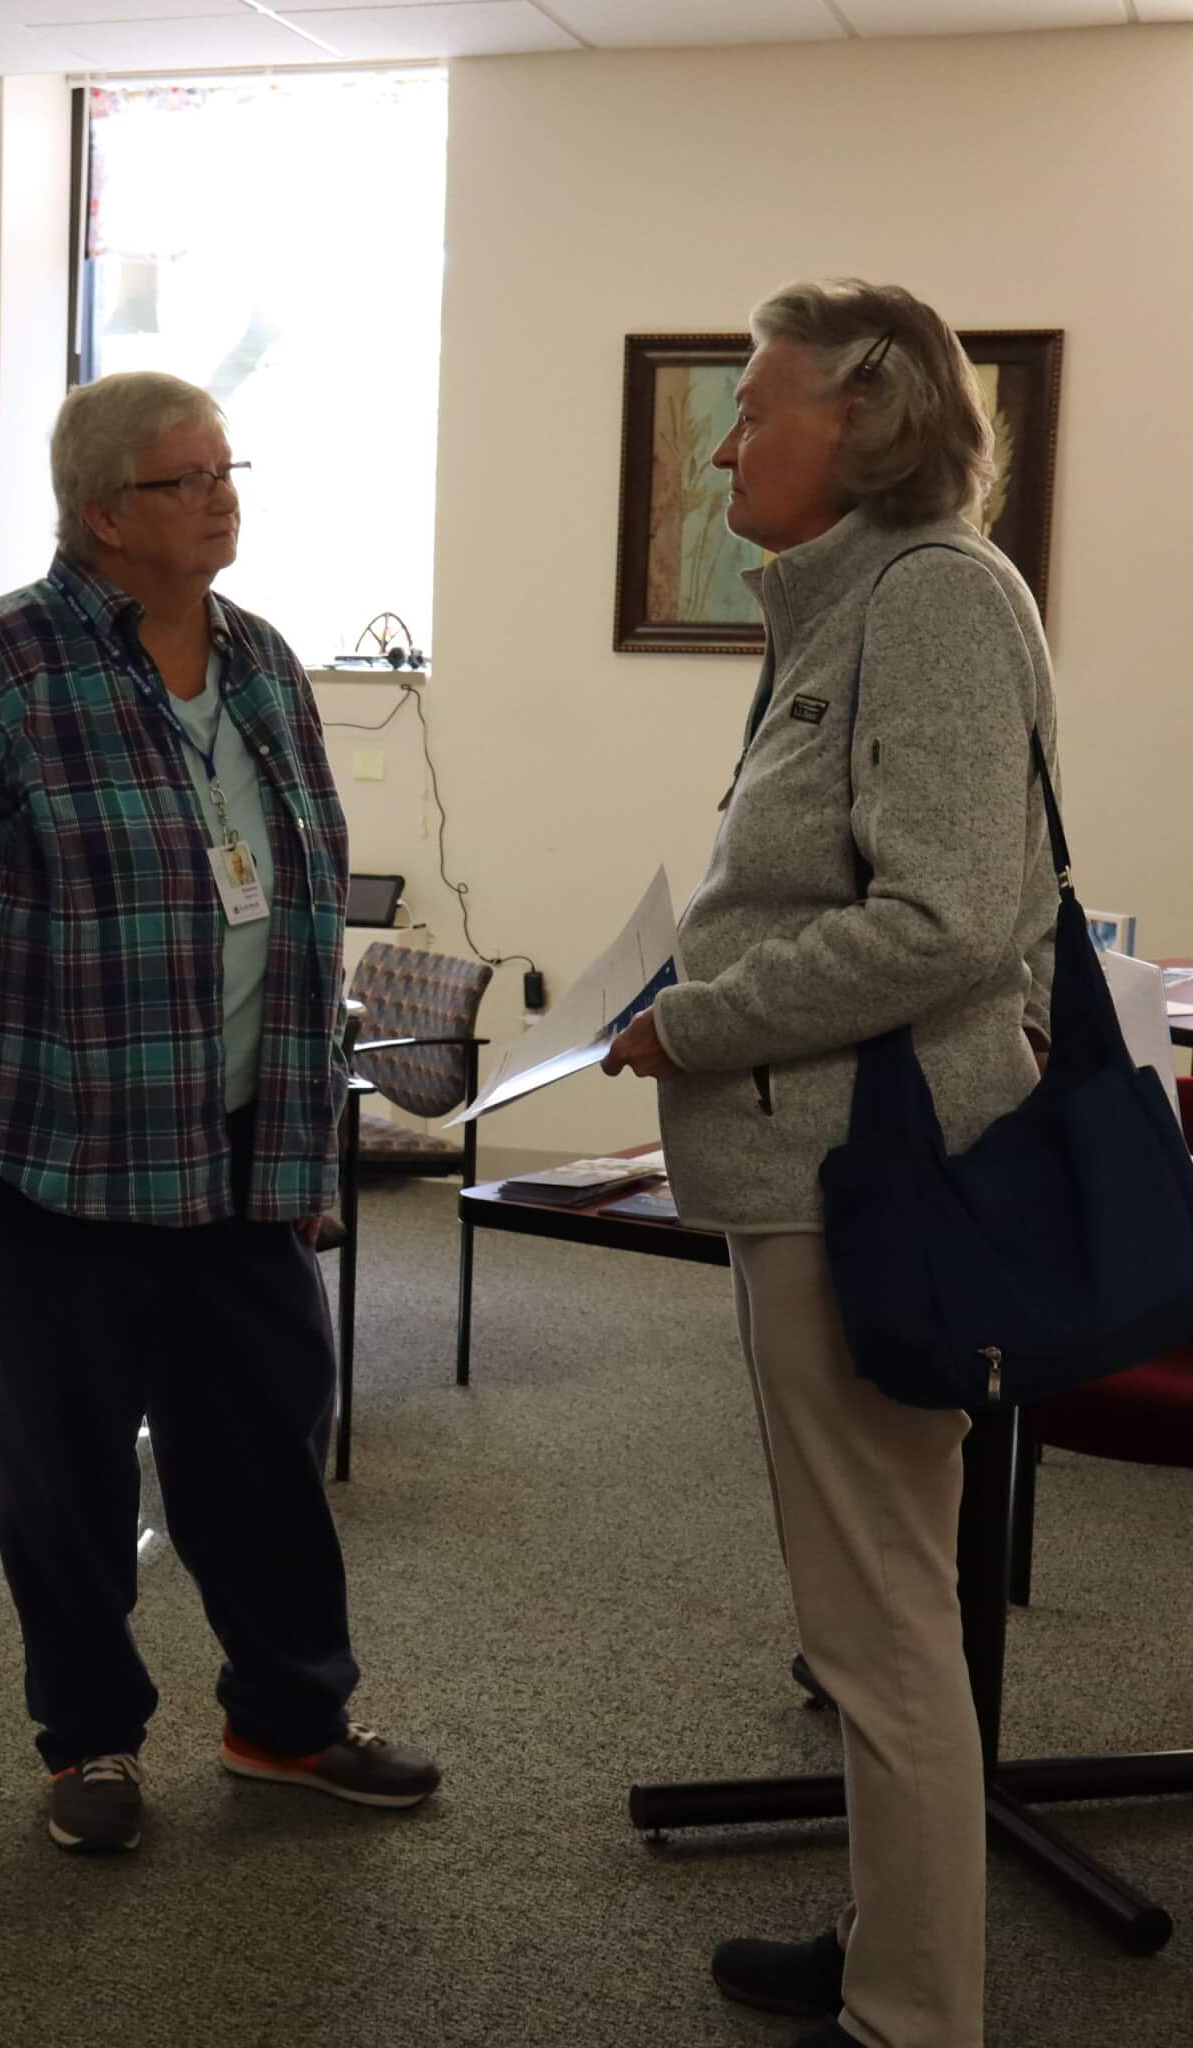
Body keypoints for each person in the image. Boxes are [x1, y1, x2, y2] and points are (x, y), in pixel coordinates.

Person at [0, 369, 441, 1853]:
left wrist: (307, 1142)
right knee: (61, 1472)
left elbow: (302, 908)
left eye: (229, 468)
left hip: (243, 1148)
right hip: (60, 1154)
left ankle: (288, 1721)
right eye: (191, 479)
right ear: (104, 513)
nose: (224, 495)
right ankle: (92, 1745)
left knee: (264, 1449)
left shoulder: (258, 661)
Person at [603, 281, 1060, 2048]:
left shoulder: (933, 600)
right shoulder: (849, 600)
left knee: (877, 1624)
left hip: (870, 1178)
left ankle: (913, 2015)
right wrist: (696, 993)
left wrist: (695, 1023)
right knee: (872, 1608)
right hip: (823, 1163)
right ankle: (892, 1943)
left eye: (754, 411)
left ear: (861, 424)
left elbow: (940, 920)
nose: (723, 445)